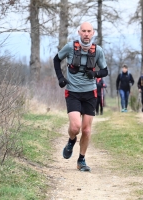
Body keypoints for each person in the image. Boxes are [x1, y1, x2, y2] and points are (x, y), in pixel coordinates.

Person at [53, 22, 108, 172]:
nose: (86, 34)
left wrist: (95, 74)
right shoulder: (71, 47)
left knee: (87, 130)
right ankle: (71, 140)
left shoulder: (98, 51)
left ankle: (81, 160)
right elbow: (56, 60)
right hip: (73, 92)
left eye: (89, 31)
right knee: (75, 127)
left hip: (90, 93)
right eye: (83, 31)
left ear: (93, 33)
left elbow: (105, 71)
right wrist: (60, 78)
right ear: (79, 32)